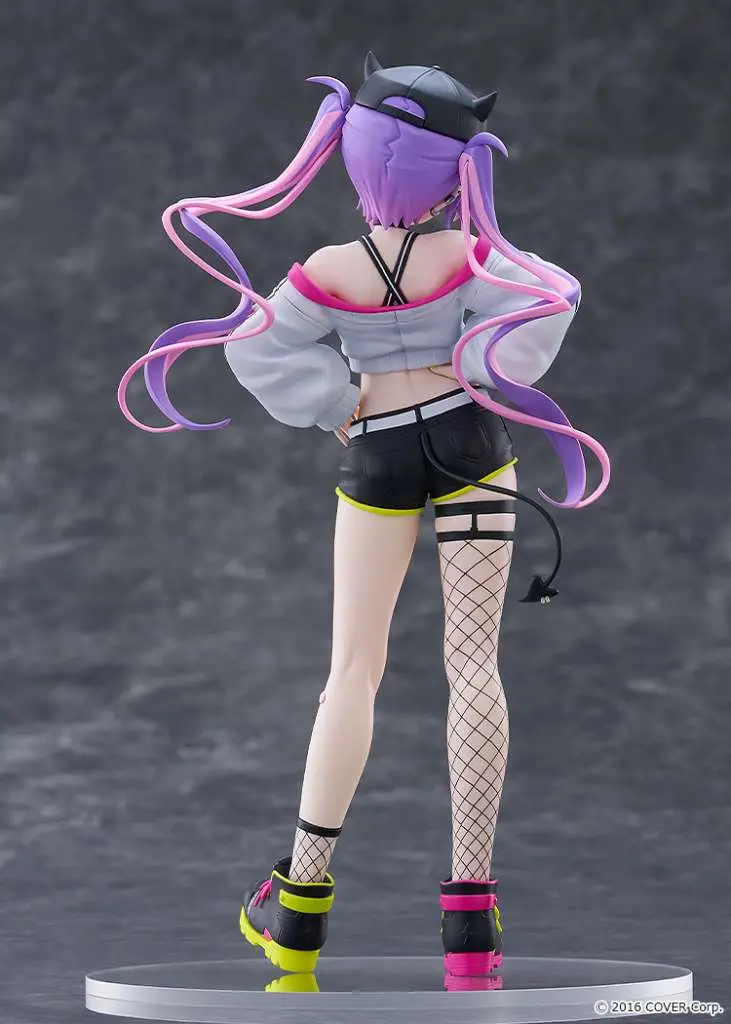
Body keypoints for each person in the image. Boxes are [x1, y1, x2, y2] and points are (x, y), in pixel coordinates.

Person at [118, 53, 610, 977]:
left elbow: (254, 347)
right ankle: (470, 918)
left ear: (348, 154)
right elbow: (553, 293)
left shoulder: (325, 269)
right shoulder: (467, 254)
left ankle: (299, 904)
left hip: (376, 452)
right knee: (473, 666)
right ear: (455, 172)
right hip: (472, 448)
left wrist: (340, 402)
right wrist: (475, 367)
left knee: (351, 671)